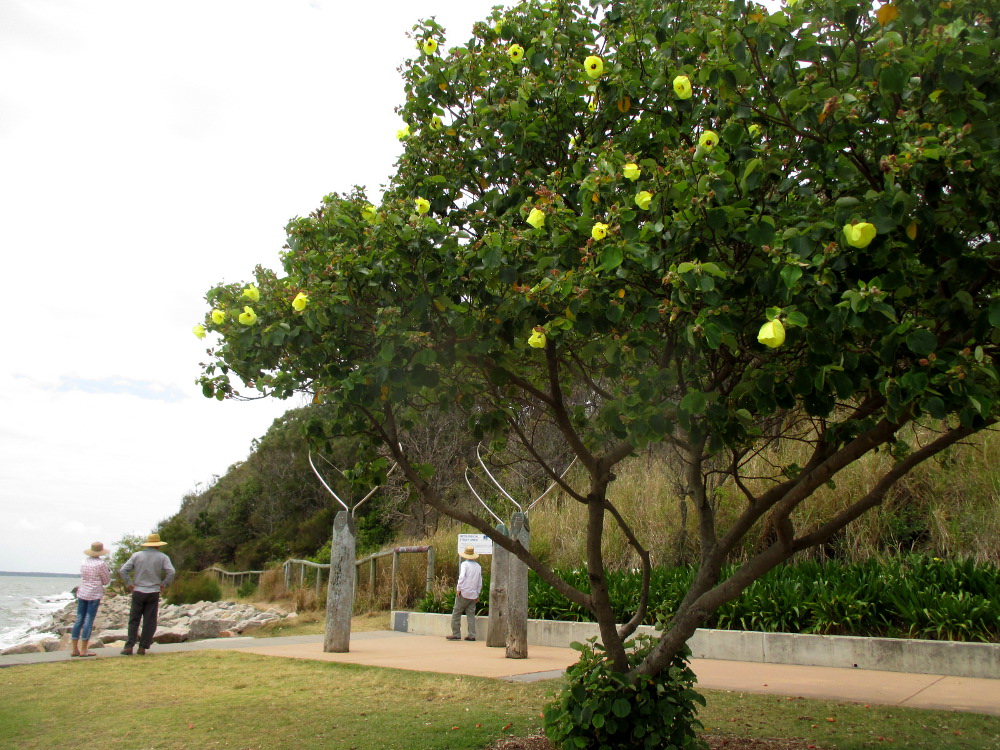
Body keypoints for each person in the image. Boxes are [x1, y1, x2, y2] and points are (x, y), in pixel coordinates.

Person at [118, 533, 175, 656]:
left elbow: (123, 570)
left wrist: (129, 583)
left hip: (138, 590)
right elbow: (171, 571)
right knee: (149, 620)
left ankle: (129, 646)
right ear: (158, 545)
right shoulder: (163, 557)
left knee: (134, 619)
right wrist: (164, 584)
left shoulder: (137, 555)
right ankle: (143, 647)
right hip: (153, 591)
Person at [70, 542, 112, 657]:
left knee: (79, 618)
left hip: (82, 592)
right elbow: (106, 581)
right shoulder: (101, 564)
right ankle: (84, 649)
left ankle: (74, 648)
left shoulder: (84, 562)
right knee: (89, 619)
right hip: (94, 593)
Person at [446, 545, 482, 641]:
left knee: (456, 613)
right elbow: (479, 582)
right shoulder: (478, 567)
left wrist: (459, 588)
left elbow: (462, 577)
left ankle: (456, 633)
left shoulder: (464, 565)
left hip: (464, 592)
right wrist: (477, 593)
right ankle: (472, 635)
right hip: (473, 594)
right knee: (471, 615)